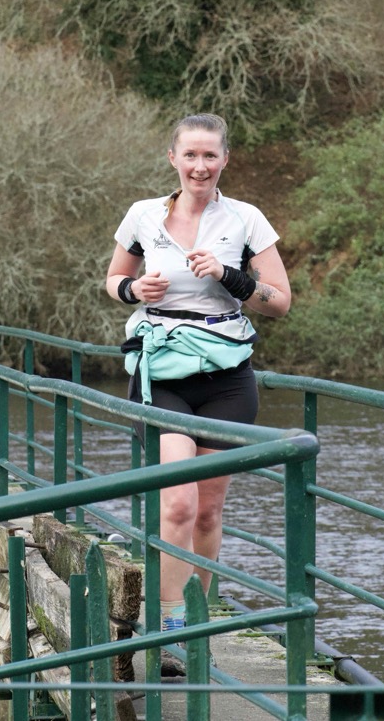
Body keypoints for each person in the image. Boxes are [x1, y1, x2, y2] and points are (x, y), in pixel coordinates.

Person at [105, 113, 291, 632]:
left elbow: (280, 302)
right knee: (179, 504)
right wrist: (132, 290)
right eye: (190, 154)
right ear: (173, 158)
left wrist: (232, 277)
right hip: (161, 375)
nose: (200, 166)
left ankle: (197, 620)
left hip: (227, 380)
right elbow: (114, 277)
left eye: (211, 155)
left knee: (208, 510)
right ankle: (168, 626)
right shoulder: (143, 215)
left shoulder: (246, 219)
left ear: (225, 159)